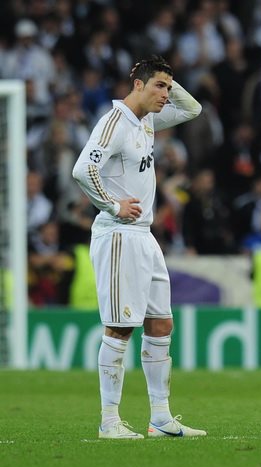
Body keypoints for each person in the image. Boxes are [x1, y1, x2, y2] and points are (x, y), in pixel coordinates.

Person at [72, 56, 206, 439]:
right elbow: (82, 170)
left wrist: (164, 77)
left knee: (161, 323)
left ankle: (160, 418)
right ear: (137, 85)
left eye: (169, 87)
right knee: (119, 328)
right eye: (159, 86)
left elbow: (192, 109)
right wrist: (113, 205)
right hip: (118, 234)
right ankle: (109, 421)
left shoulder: (146, 121)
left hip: (144, 236)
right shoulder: (114, 123)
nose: (166, 94)